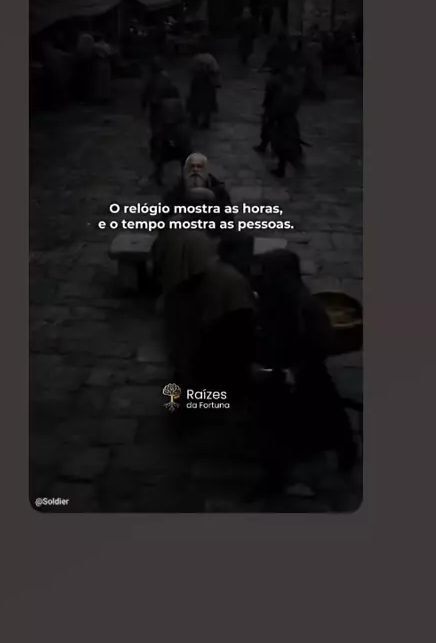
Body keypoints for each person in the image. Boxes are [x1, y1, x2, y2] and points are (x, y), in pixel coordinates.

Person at [254, 249, 358, 485]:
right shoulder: (274, 295)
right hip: (283, 367)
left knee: (328, 414)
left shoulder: (306, 306)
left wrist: (296, 370)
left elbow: (320, 344)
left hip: (305, 370)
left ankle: (343, 453)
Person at [152, 228, 256, 403]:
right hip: (212, 352)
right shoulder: (235, 280)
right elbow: (242, 325)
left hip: (190, 344)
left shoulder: (208, 268)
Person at [164, 152, 231, 209]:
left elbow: (227, 217)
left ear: (206, 170)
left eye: (199, 166)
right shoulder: (174, 193)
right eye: (192, 166)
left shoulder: (220, 193)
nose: (195, 170)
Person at [187, 51, 221, 129]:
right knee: (207, 104)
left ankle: (195, 120)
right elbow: (216, 72)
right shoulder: (211, 59)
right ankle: (205, 122)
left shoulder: (197, 59)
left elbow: (191, 71)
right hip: (207, 85)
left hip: (199, 84)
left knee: (195, 103)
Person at [303, 26, 326, 100]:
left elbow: (305, 54)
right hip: (316, 62)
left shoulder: (308, 46)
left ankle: (314, 92)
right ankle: (320, 92)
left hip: (310, 63)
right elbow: (321, 54)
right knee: (317, 78)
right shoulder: (318, 46)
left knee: (312, 77)